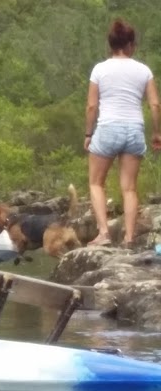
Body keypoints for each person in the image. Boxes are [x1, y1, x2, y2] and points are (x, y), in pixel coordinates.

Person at [85, 18, 161, 248]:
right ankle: (128, 239)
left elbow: (91, 106)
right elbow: (155, 104)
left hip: (108, 127)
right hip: (134, 130)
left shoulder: (99, 69)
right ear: (130, 45)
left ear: (111, 45)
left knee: (97, 183)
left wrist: (88, 133)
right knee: (129, 188)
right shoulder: (144, 71)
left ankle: (104, 234)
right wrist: (158, 133)